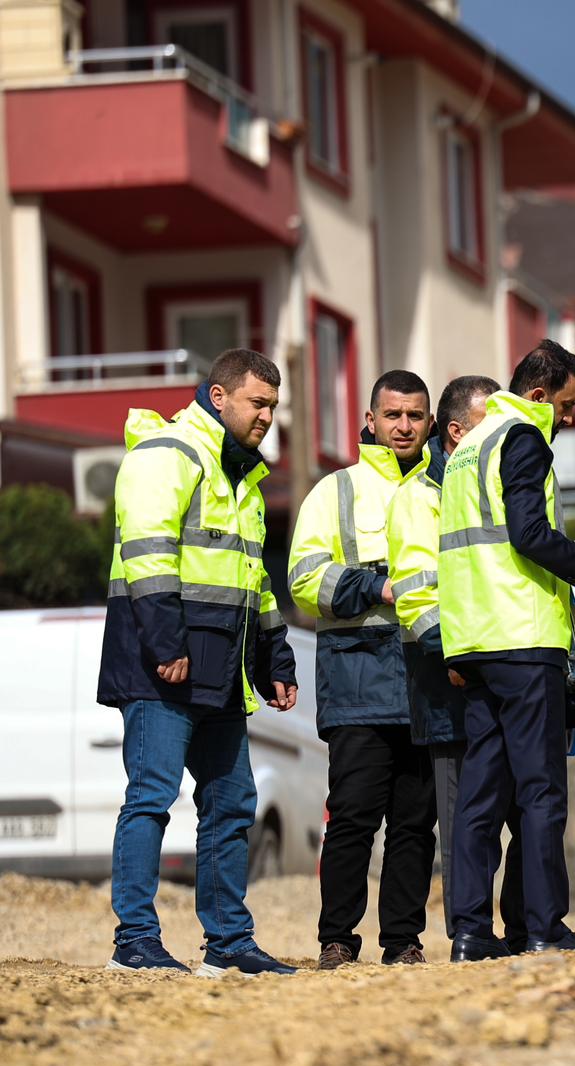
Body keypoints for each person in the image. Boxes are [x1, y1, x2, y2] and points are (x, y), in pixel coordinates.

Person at [98, 348, 298, 976]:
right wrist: (167, 647)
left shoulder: (244, 481)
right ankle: (134, 941)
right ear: (218, 397)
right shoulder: (167, 454)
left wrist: (276, 660)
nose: (267, 415)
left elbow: (255, 585)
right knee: (152, 797)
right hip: (163, 667)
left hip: (219, 672)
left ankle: (229, 944)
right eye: (256, 402)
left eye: (272, 403)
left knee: (232, 801)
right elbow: (148, 554)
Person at [440, 340, 575, 962]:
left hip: (475, 640)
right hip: (524, 638)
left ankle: (470, 933)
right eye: (567, 403)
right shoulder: (523, 437)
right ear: (536, 394)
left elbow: (496, 539)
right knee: (540, 791)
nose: (570, 417)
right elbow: (527, 536)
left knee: (479, 796)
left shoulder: (465, 448)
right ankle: (542, 926)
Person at [290, 369, 435, 967]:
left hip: (429, 683)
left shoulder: (446, 490)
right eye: (393, 415)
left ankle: (403, 940)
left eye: (415, 415)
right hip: (357, 683)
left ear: (430, 423)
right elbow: (303, 577)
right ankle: (336, 940)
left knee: (414, 824)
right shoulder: (335, 491)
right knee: (352, 817)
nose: (404, 426)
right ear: (370, 420)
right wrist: (377, 588)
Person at [386, 374, 529, 953]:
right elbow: (418, 593)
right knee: (465, 815)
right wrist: (452, 654)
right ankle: (467, 931)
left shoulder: (500, 484)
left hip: (504, 670)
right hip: (451, 681)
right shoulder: (419, 497)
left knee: (524, 808)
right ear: (456, 432)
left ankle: (522, 926)